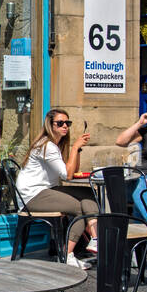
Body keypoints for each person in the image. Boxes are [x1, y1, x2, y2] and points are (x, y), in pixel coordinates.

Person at [15, 109, 98, 268]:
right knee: (80, 208)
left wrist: (77, 150)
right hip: (32, 196)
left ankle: (95, 239)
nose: (65, 126)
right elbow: (67, 175)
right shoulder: (47, 146)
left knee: (88, 193)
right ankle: (67, 255)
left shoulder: (56, 145)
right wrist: (74, 148)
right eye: (60, 123)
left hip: (47, 190)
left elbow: (72, 171)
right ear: (50, 125)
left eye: (68, 123)